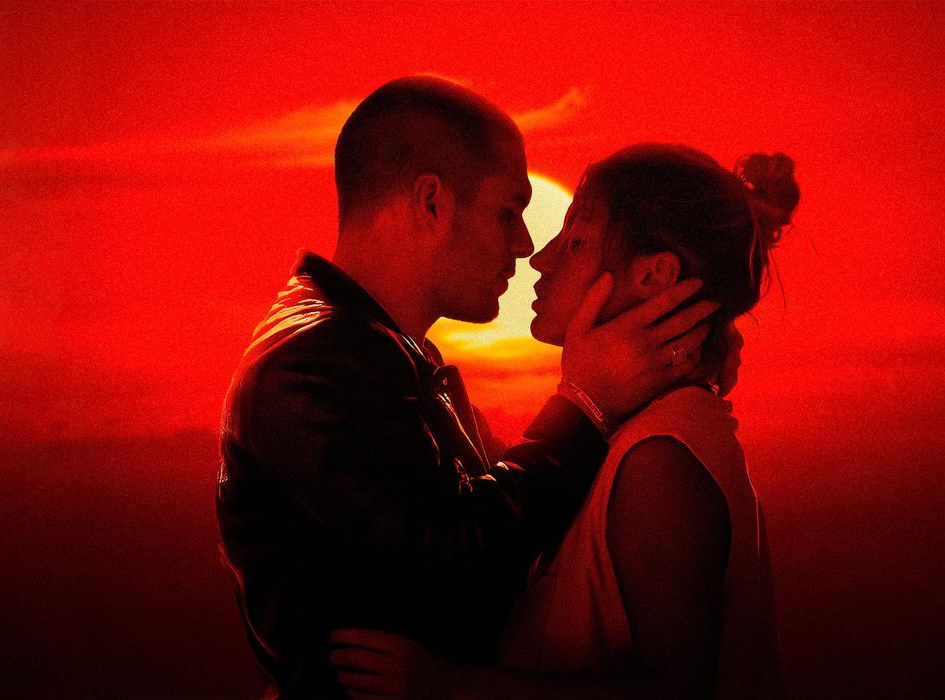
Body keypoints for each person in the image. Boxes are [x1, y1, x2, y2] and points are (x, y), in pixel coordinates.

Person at [216, 79, 725, 698]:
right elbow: (458, 556)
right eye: (509, 211)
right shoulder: (314, 363)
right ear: (431, 202)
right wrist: (585, 403)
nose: (526, 245)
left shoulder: (376, 353)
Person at [330, 144, 800, 698]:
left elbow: (681, 691)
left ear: (653, 275)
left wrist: (452, 687)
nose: (542, 258)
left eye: (576, 241)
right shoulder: (630, 434)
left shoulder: (660, 459)